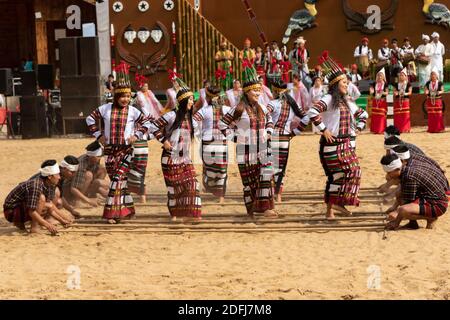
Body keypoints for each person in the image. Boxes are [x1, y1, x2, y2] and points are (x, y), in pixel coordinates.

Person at [86, 62, 151, 224]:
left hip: (126, 151)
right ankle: (128, 210)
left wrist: (136, 135)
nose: (125, 99)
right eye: (122, 96)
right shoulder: (105, 108)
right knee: (119, 182)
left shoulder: (133, 111)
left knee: (116, 180)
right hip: (109, 151)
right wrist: (98, 135)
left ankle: (112, 214)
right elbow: (89, 118)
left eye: (128, 97)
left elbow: (147, 123)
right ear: (116, 96)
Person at [308, 51, 368, 219]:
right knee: (339, 175)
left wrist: (359, 128)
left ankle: (337, 205)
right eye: (343, 82)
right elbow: (312, 111)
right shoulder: (328, 98)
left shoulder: (347, 101)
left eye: (347, 82)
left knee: (351, 173)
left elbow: (363, 115)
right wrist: (324, 129)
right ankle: (333, 208)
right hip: (331, 144)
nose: (346, 84)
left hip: (346, 144)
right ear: (335, 84)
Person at [219, 65, 278, 218]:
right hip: (245, 150)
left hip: (263, 148)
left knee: (266, 175)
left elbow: (270, 120)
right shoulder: (238, 109)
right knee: (250, 181)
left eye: (259, 90)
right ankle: (251, 210)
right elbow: (222, 124)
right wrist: (235, 138)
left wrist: (269, 132)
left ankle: (266, 208)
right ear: (246, 91)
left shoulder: (262, 108)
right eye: (254, 90)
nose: (258, 93)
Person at [149, 81, 202, 222]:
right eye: (190, 99)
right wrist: (164, 141)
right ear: (183, 101)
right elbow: (153, 127)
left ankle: (193, 215)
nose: (192, 101)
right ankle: (175, 215)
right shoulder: (171, 116)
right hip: (170, 157)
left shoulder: (192, 120)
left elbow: (198, 136)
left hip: (185, 158)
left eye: (192, 99)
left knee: (193, 183)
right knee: (174, 188)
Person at [381, 153, 449, 230]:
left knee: (403, 210)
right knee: (399, 195)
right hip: (429, 197)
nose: (388, 175)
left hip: (438, 204)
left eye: (389, 173)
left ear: (397, 169)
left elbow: (407, 202)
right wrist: (394, 208)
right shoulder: (406, 170)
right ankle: (412, 224)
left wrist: (396, 219)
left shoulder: (409, 176)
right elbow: (403, 196)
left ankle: (431, 218)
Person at [268, 79, 309, 203]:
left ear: (275, 91)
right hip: (286, 138)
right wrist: (295, 132)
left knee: (270, 166)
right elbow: (306, 118)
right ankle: (278, 195)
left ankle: (270, 194)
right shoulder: (292, 104)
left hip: (272, 138)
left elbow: (263, 116)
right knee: (281, 168)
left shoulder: (272, 104)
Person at [3, 160, 70, 235]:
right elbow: (32, 211)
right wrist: (48, 225)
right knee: (41, 199)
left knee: (48, 204)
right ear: (50, 176)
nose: (59, 177)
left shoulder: (50, 184)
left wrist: (62, 221)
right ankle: (34, 227)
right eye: (57, 175)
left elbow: (50, 208)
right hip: (10, 212)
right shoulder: (36, 185)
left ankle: (20, 223)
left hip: (21, 208)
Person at [193, 85, 230, 204]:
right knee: (222, 169)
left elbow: (193, 121)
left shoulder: (203, 110)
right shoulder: (226, 109)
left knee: (209, 168)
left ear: (208, 98)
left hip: (207, 143)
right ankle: (221, 197)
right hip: (222, 143)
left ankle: (209, 187)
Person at [66, 141, 109, 208]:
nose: (100, 158)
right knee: (88, 175)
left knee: (102, 170)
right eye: (99, 156)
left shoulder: (94, 159)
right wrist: (88, 201)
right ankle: (78, 201)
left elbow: (96, 182)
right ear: (93, 157)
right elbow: (73, 188)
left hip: (83, 186)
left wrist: (101, 190)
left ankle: (92, 195)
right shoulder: (81, 164)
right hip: (70, 189)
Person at [424, 67, 445, 133]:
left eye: (434, 74)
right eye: (431, 74)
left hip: (437, 100)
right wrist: (426, 92)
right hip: (430, 100)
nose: (433, 76)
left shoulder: (439, 83)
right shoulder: (428, 83)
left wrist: (439, 92)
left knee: (438, 115)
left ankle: (439, 128)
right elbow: (425, 90)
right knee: (431, 115)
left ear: (436, 75)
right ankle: (432, 128)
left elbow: (442, 90)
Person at [369, 68, 389, 134]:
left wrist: (382, 93)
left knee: (381, 116)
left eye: (381, 76)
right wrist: (371, 91)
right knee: (375, 116)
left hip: (382, 101)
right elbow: (371, 90)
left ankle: (381, 129)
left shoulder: (385, 84)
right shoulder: (374, 83)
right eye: (378, 75)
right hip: (375, 101)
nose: (379, 77)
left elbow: (387, 93)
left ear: (383, 77)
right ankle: (375, 130)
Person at [393, 68, 412, 133]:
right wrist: (397, 93)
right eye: (400, 75)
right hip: (398, 101)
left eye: (402, 75)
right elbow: (394, 92)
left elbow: (410, 92)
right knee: (398, 116)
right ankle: (398, 128)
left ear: (405, 76)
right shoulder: (396, 84)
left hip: (405, 101)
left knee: (405, 115)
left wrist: (404, 93)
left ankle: (406, 128)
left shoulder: (408, 84)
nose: (401, 76)